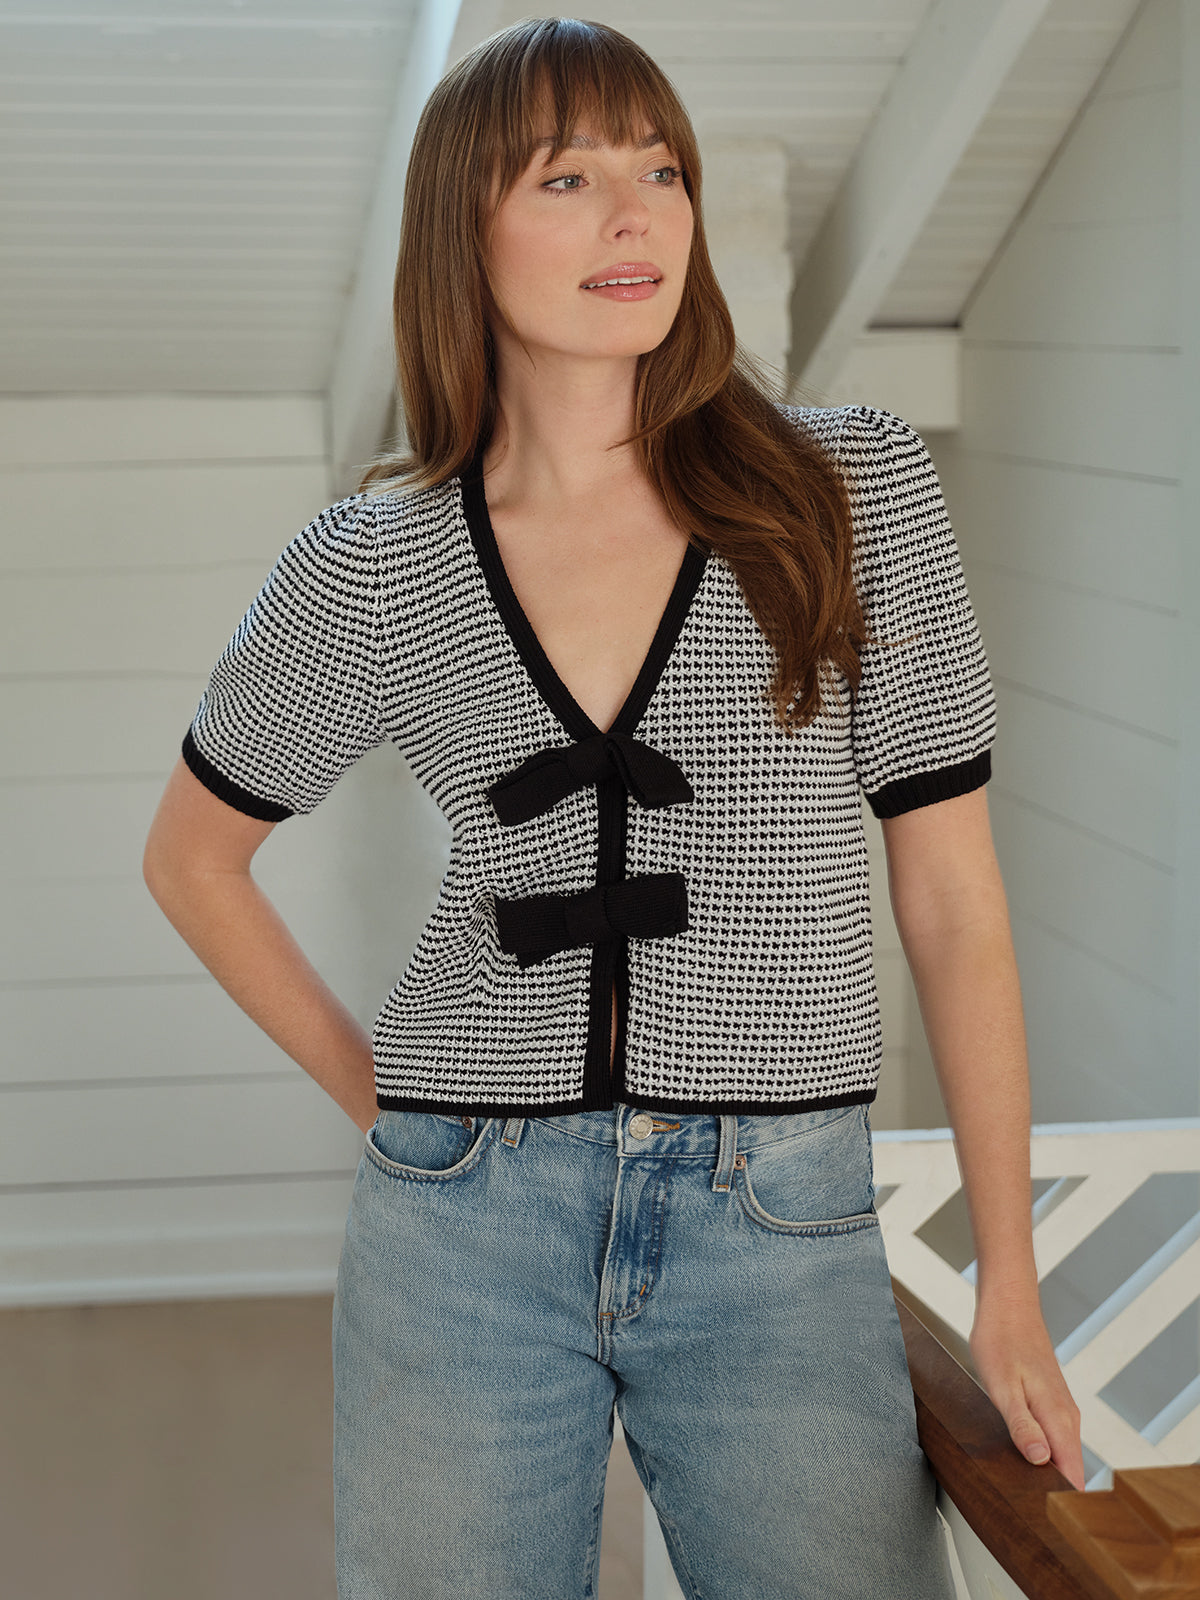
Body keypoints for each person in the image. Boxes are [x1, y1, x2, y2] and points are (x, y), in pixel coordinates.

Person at [143, 16, 1085, 1598]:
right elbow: (192, 859)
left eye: (661, 168)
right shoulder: (372, 562)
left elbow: (952, 897)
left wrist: (1011, 1282)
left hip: (778, 1224)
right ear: (467, 226)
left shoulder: (842, 494)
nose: (636, 212)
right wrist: (390, 1108)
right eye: (568, 176)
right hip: (461, 1239)